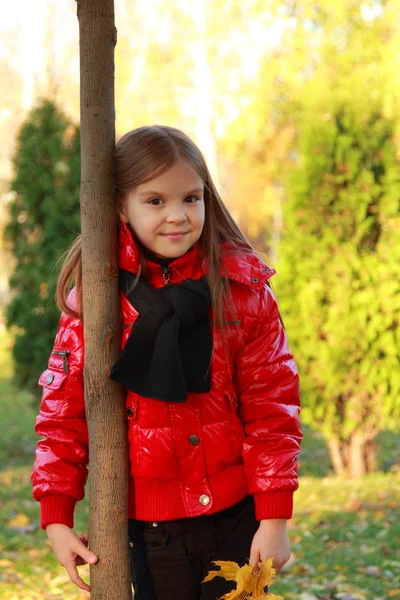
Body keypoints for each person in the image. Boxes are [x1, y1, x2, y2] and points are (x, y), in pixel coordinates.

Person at [31, 125, 302, 599]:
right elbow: (63, 415)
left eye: (190, 199)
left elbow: (272, 406)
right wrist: (57, 516)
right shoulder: (96, 300)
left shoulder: (243, 291)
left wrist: (274, 517)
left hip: (238, 516)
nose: (177, 216)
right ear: (120, 206)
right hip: (151, 528)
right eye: (154, 200)